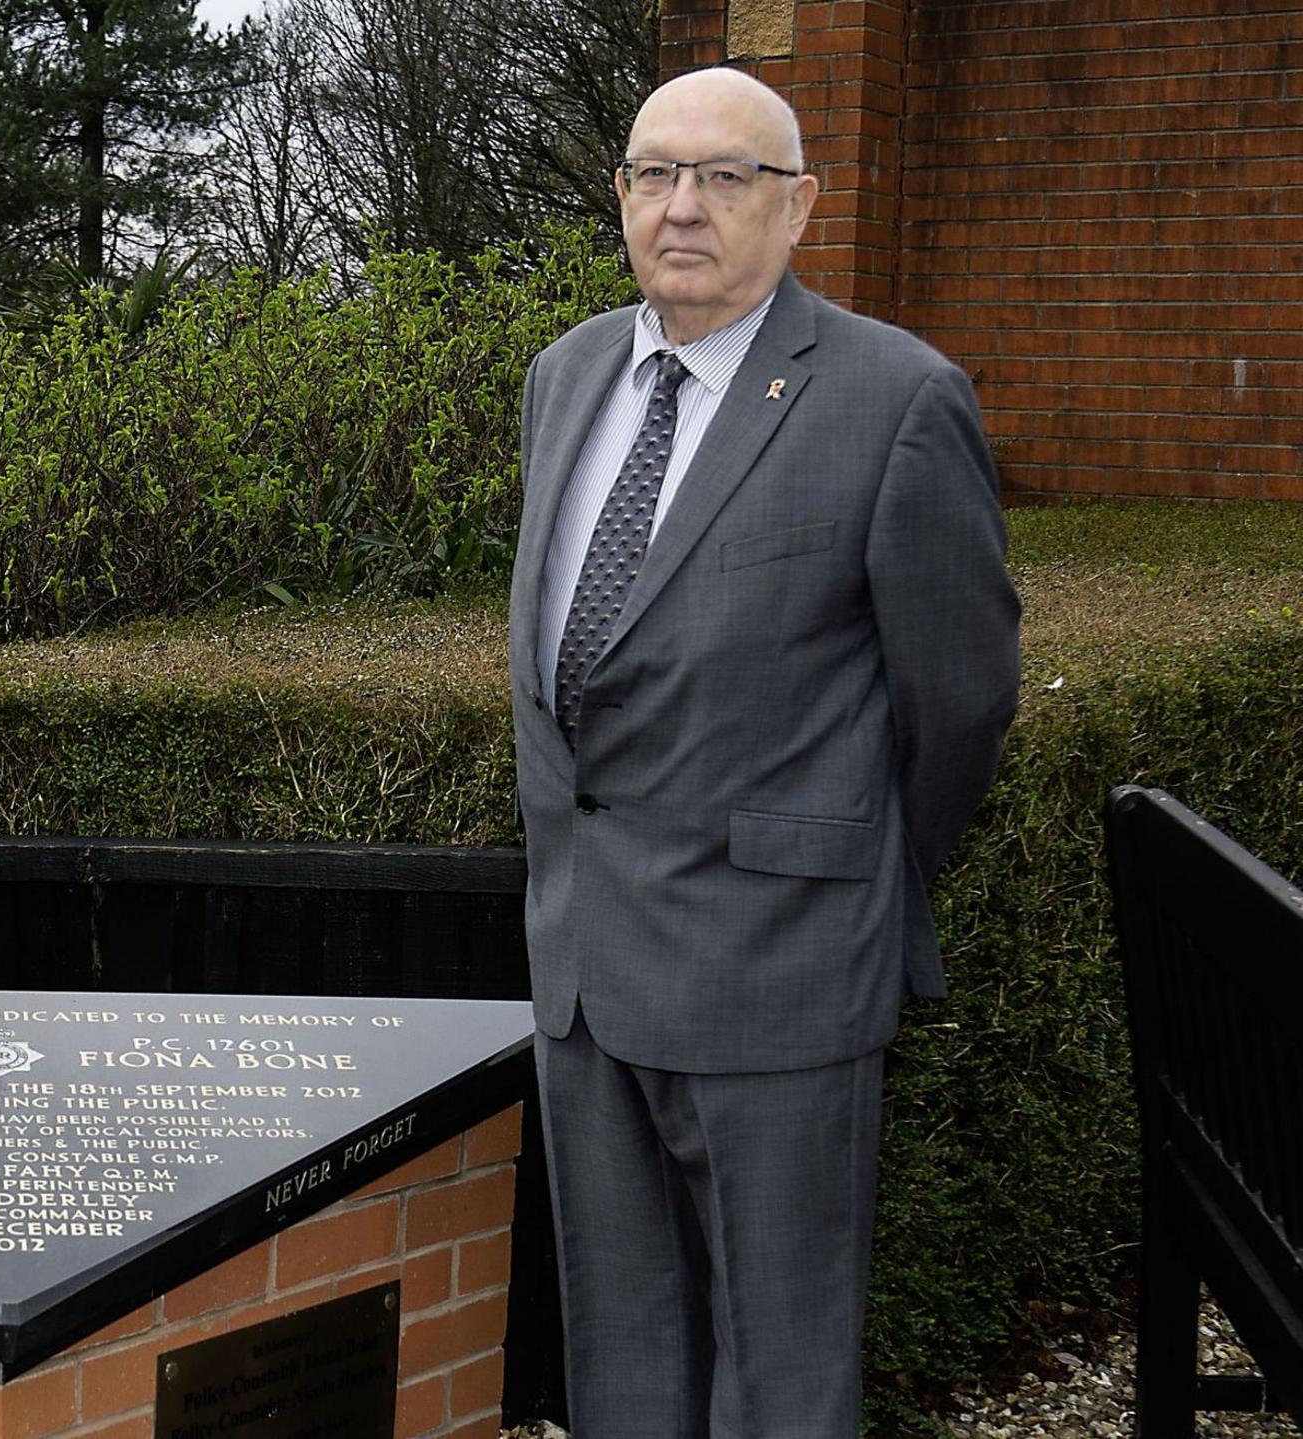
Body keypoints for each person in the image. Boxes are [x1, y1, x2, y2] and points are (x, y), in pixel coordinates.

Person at [505, 66, 1020, 1437]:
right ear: (618, 196)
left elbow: (960, 703)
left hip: (782, 980)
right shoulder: (565, 379)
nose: (685, 208)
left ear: (798, 210)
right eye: (656, 173)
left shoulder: (896, 400)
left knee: (782, 1378)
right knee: (620, 1357)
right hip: (586, 977)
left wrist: (852, 881)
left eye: (728, 177)